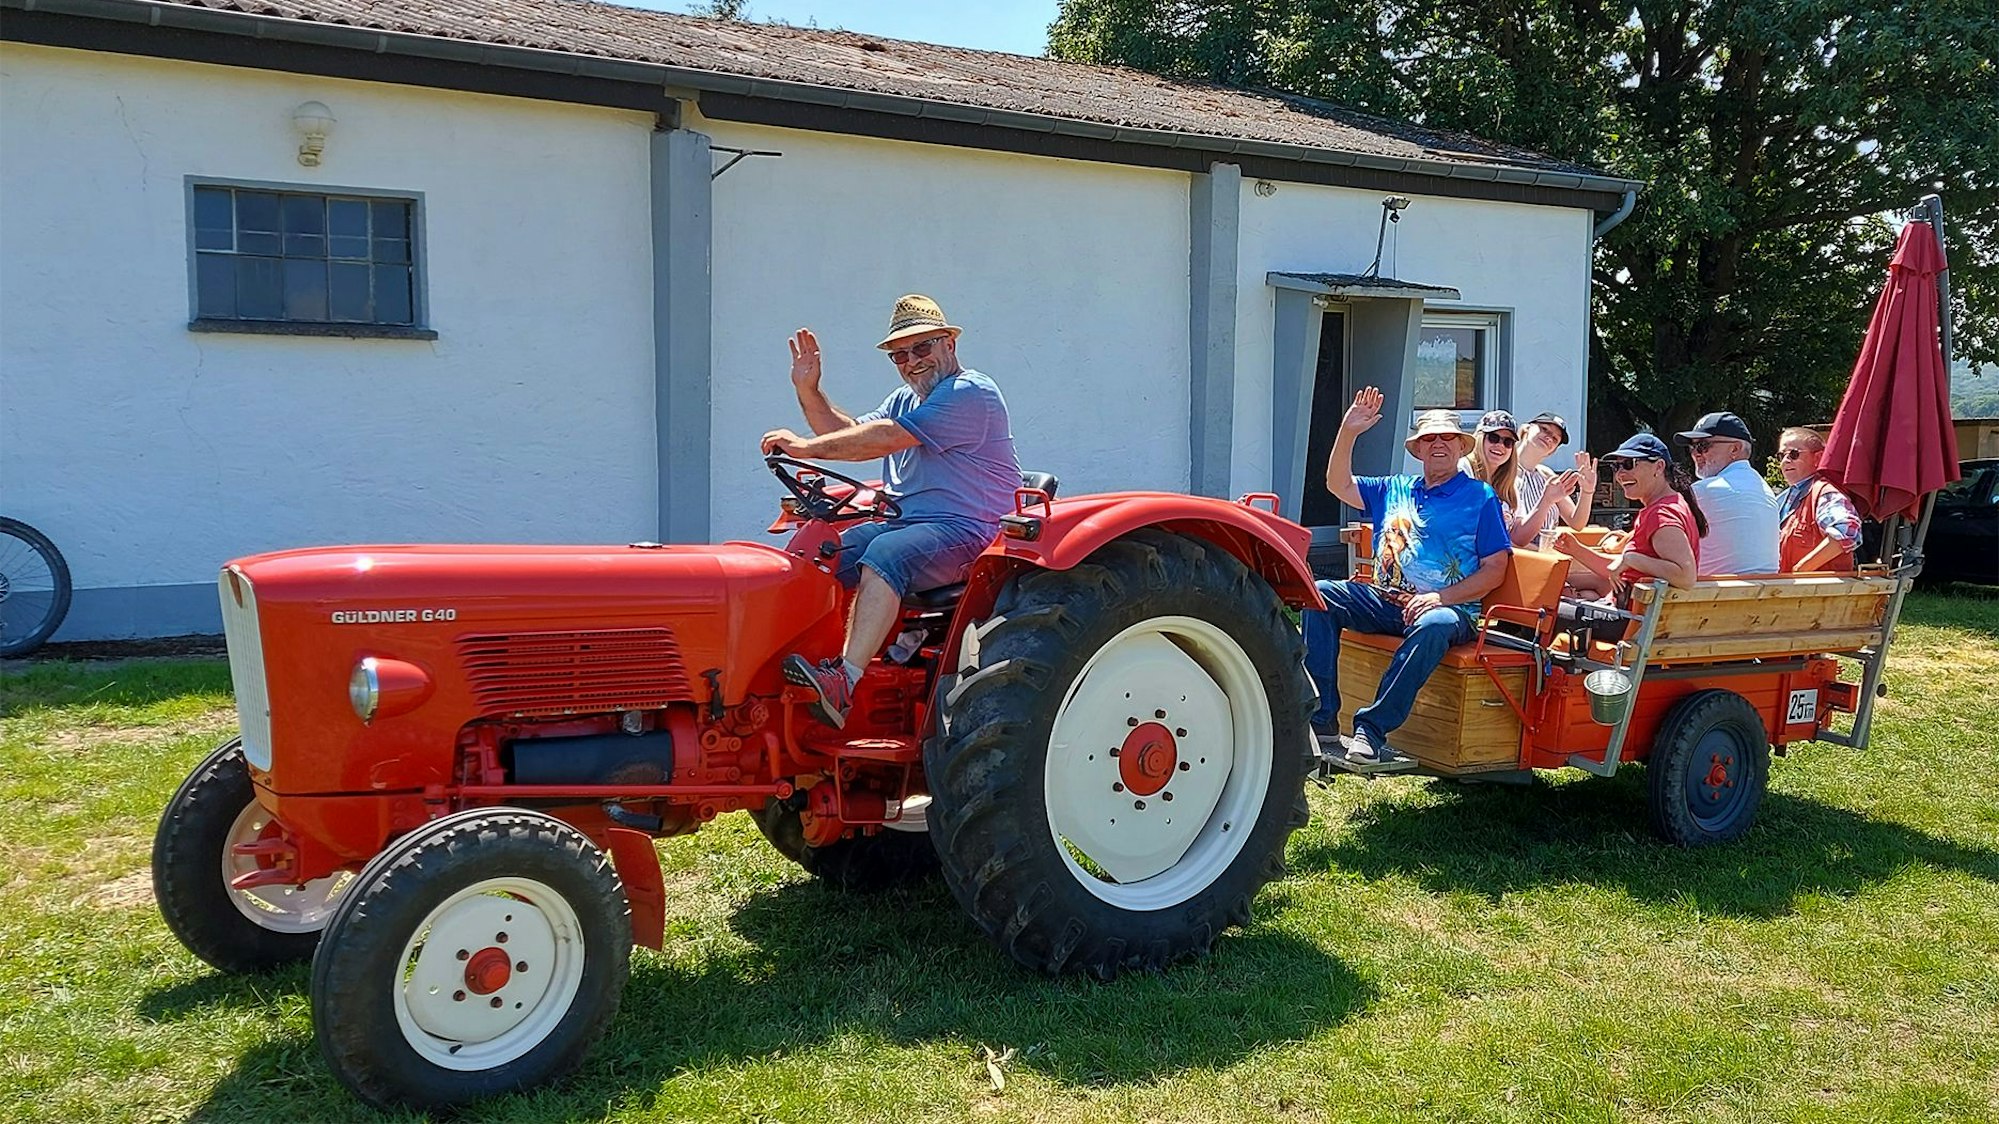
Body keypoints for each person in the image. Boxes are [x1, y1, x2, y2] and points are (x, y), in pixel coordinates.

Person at [761, 295, 1021, 729]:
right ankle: (787, 669)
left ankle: (844, 680)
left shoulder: (969, 392)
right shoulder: (905, 399)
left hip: (969, 532)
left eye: (922, 347)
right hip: (908, 522)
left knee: (887, 552)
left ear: (949, 344)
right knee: (822, 555)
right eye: (900, 354)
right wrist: (809, 391)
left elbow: (881, 440)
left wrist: (804, 447)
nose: (912, 361)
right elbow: (850, 433)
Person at [1302, 390, 1511, 768]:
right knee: (1319, 594)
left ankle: (1371, 730)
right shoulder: (1395, 487)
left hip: (1450, 610)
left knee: (1433, 624)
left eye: (1447, 438)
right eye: (1429, 438)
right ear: (1418, 450)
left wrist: (1441, 598)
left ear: (1461, 447)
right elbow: (1338, 484)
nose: (1438, 445)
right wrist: (1348, 431)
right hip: (1387, 601)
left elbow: (1496, 568)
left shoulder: (1480, 497)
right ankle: (1322, 721)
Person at [1550, 434, 1705, 643]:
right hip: (1639, 621)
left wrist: (1631, 558)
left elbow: (1685, 576)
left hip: (1628, 624)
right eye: (1617, 467)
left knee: (1538, 611)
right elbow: (1620, 570)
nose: (1620, 474)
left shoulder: (1662, 514)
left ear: (1658, 467)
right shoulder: (1668, 505)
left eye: (1628, 464)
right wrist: (1576, 550)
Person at [1676, 411, 1778, 576]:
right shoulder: (1764, 490)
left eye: (1703, 446)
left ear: (1735, 449)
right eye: (1692, 447)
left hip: (1710, 597)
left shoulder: (1705, 490)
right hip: (1763, 595)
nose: (1695, 454)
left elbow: (1656, 536)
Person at [1776, 426, 1862, 572]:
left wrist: (1801, 569)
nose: (1785, 461)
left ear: (1817, 458)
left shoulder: (1825, 493)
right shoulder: (1782, 498)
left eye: (1793, 454)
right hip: (1788, 590)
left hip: (1819, 592)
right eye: (1781, 455)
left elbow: (1847, 531)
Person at [1511, 412, 1597, 549]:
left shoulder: (1547, 475)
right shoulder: (1504, 472)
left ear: (1552, 451)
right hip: (1519, 558)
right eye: (1544, 429)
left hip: (1544, 558)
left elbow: (1577, 523)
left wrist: (1587, 491)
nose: (1549, 437)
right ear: (1526, 429)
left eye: (1555, 439)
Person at [1460, 410, 1522, 536]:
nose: (1500, 446)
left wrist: (1546, 501)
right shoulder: (1463, 469)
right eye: (1494, 438)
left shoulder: (1512, 484)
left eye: (1507, 442)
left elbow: (1518, 536)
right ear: (1479, 438)